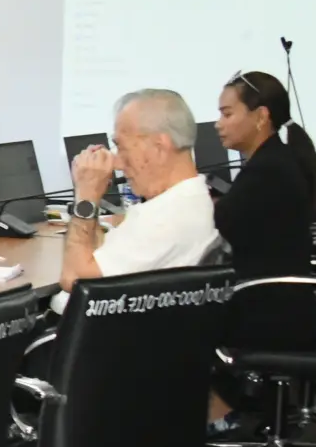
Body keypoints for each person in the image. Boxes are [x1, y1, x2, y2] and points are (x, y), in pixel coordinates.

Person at [210, 69, 316, 429]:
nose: (218, 124)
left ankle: (217, 413)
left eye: (227, 113)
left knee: (172, 314)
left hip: (265, 309)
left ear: (261, 116)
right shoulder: (275, 160)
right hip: (283, 302)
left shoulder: (267, 170)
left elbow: (221, 223)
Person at [61, 88, 219, 300]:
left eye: (122, 147)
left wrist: (86, 197)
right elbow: (97, 257)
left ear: (159, 148)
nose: (117, 163)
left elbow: (74, 279)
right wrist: (93, 199)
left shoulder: (165, 218)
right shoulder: (189, 199)